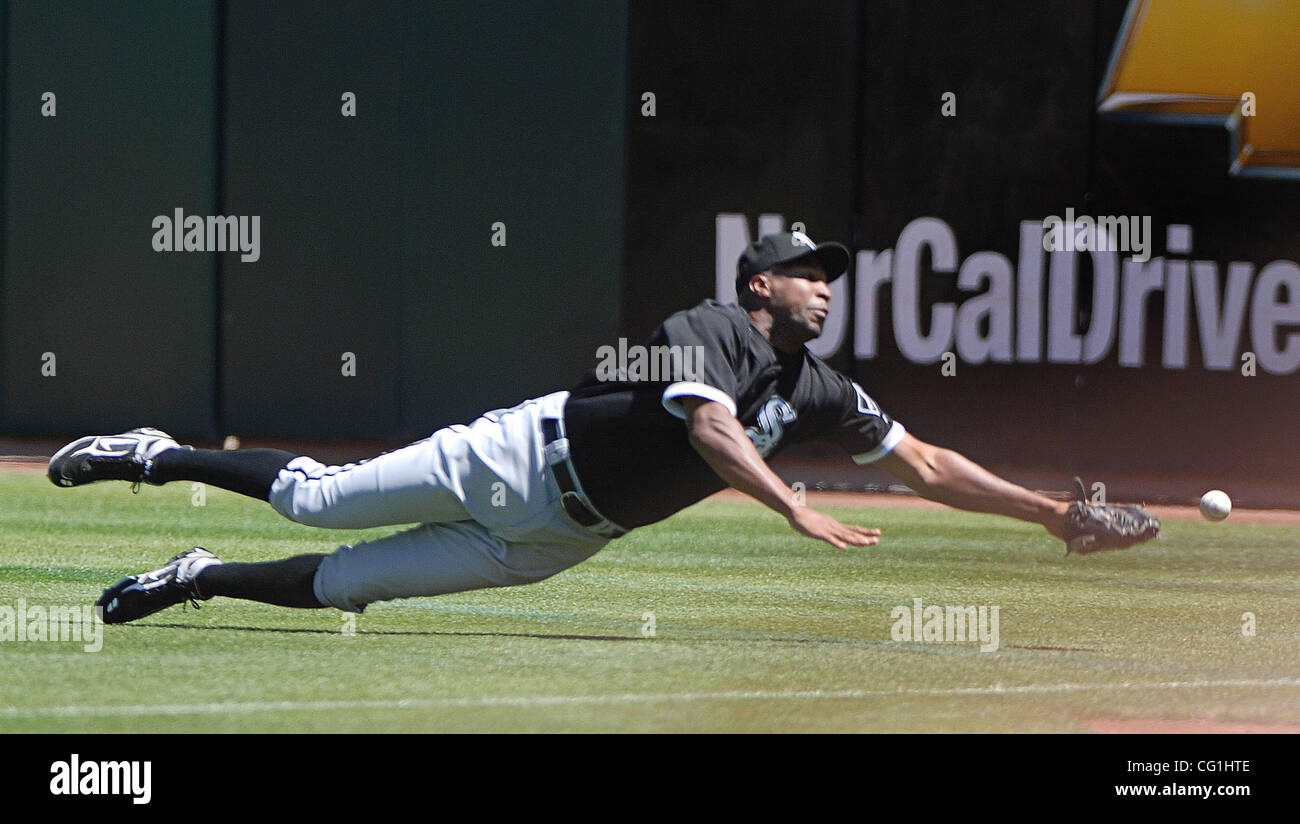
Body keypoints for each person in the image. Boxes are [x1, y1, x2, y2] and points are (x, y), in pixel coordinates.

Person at [49, 231, 1158, 624]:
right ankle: (155, 455)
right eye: (810, 271)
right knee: (310, 495)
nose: (826, 286)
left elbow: (923, 461)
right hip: (514, 453)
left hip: (554, 539)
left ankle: (198, 576)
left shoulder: (818, 386)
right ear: (761, 281)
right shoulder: (708, 326)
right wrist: (791, 503)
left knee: (345, 587)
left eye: (832, 274)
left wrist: (1052, 513)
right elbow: (714, 434)